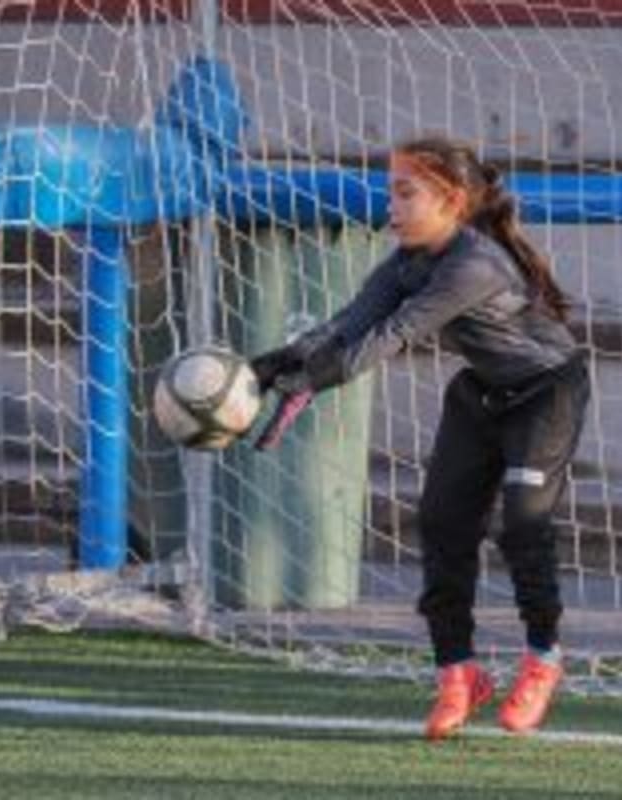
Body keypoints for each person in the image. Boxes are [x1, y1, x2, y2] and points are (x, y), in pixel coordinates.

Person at [250, 135, 590, 740]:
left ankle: (543, 657)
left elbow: (396, 333)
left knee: (523, 525)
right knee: (441, 522)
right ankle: (458, 673)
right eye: (391, 193)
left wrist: (316, 378)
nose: (393, 207)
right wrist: (272, 364)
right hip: (481, 394)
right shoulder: (403, 262)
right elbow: (349, 324)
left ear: (453, 200)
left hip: (546, 394)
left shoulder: (474, 263)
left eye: (407, 193)